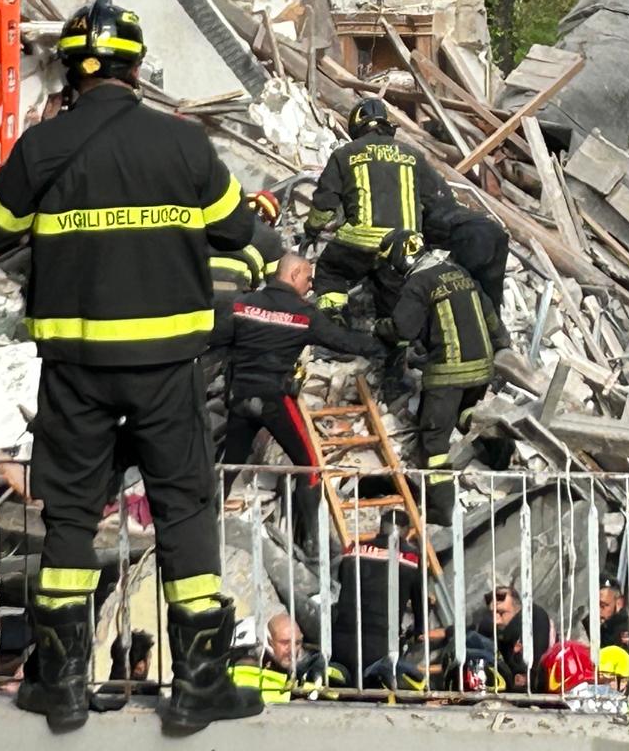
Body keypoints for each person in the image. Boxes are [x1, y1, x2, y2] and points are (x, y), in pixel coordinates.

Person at [0, 0, 261, 734]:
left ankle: (60, 686)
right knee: (185, 510)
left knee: (70, 515)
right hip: (168, 370)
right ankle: (199, 687)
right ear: (138, 67)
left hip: (76, 371)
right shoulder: (184, 145)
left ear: (68, 72)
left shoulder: (44, 147)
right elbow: (237, 229)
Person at [214, 253, 375, 554]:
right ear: (294, 274)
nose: (310, 284)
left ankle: (206, 525)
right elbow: (345, 342)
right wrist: (385, 342)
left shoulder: (243, 305)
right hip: (275, 399)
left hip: (239, 398)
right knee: (310, 466)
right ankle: (313, 542)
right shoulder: (304, 314)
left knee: (229, 464)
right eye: (308, 278)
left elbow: (212, 339)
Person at [373, 229, 509, 525]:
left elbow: (402, 330)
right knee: (465, 413)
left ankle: (440, 508)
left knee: (433, 441)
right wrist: (503, 346)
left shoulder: (418, 283)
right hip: (481, 369)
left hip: (449, 374)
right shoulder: (457, 271)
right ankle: (500, 453)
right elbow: (490, 316)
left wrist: (379, 327)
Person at [302, 97, 448, 311]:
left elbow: (325, 204)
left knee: (330, 270)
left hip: (359, 244)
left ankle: (333, 319)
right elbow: (438, 200)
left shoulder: (345, 154)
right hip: (404, 247)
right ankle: (394, 335)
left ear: (357, 126)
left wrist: (311, 230)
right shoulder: (413, 156)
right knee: (393, 295)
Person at [330, 508, 429, 687]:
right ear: (406, 531)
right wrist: (419, 630)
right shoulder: (412, 558)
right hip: (380, 644)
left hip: (341, 638)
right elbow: (420, 604)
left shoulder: (353, 550)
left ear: (380, 527)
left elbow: (342, 580)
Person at [422, 196, 510, 313]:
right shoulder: (445, 206)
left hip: (473, 241)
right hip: (494, 235)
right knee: (490, 294)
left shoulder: (432, 224)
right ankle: (492, 323)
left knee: (465, 291)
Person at [477, 582, 557, 692]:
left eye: (501, 613)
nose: (496, 620)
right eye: (492, 613)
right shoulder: (490, 628)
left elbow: (535, 670)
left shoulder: (536, 621)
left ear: (518, 610)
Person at [210, 190, 287, 296]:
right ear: (268, 217)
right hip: (233, 291)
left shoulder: (218, 222)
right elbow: (276, 281)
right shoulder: (271, 237)